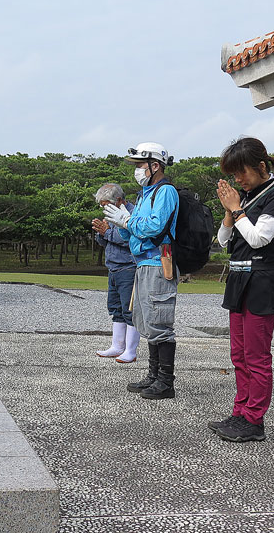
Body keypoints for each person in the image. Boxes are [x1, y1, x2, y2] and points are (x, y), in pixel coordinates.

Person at [210, 136, 274, 443]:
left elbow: (259, 239)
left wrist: (237, 209)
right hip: (238, 279)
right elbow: (223, 240)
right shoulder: (245, 198)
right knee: (239, 354)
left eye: (242, 172)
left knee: (257, 356)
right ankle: (240, 412)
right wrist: (230, 211)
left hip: (261, 280)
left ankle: (254, 420)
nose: (238, 180)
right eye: (234, 175)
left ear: (261, 166)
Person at [103, 142, 179, 400]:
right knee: (147, 321)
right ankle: (153, 375)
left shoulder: (165, 191)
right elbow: (134, 230)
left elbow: (155, 227)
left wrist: (128, 220)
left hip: (159, 262)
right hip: (143, 263)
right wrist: (122, 223)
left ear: (154, 166)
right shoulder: (145, 194)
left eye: (139, 165)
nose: (136, 170)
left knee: (160, 322)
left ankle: (165, 382)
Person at [92, 183, 139, 363]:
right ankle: (117, 346)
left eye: (106, 204)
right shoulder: (112, 215)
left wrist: (108, 233)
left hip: (128, 267)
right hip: (113, 267)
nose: (104, 208)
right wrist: (101, 232)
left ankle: (130, 350)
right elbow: (108, 242)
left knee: (129, 309)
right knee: (116, 309)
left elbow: (132, 239)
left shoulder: (133, 213)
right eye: (102, 205)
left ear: (119, 200)